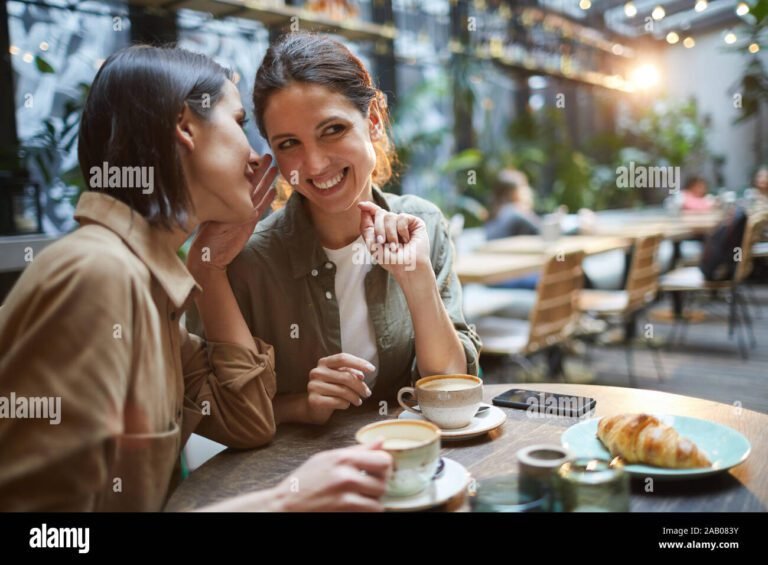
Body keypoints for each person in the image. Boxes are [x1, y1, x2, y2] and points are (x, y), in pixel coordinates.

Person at [0, 45, 391, 512]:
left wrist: (208, 265)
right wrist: (281, 504)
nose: (255, 158)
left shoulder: (149, 286)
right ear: (186, 127)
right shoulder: (98, 276)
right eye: (241, 123)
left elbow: (247, 423)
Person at [188, 33, 481, 426]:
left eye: (332, 130)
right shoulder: (245, 261)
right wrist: (301, 406)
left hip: (414, 462)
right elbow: (213, 410)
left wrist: (416, 278)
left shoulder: (422, 225)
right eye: (289, 143)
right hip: (295, 476)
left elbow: (449, 387)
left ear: (374, 118)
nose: (314, 165)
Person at [484, 168, 540, 240]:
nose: (529, 191)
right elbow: (546, 232)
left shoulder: (500, 212)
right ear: (513, 193)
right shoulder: (514, 213)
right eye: (525, 186)